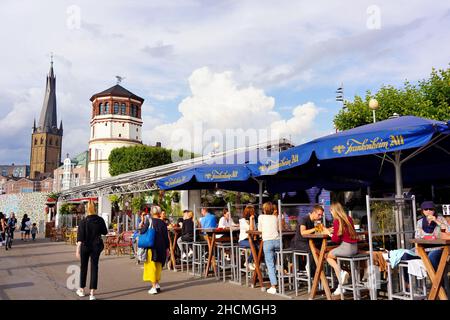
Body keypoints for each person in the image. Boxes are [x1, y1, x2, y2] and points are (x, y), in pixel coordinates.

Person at [75, 199, 108, 300]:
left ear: (87, 209)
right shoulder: (100, 220)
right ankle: (92, 293)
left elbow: (80, 238)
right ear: (95, 208)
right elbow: (105, 232)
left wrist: (77, 250)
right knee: (94, 268)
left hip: (85, 247)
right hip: (96, 246)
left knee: (83, 267)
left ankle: (81, 289)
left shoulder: (83, 221)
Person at [323, 202, 357, 295]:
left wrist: (328, 232)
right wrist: (335, 230)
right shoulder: (348, 219)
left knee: (327, 256)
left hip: (346, 248)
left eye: (330, 210)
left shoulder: (337, 220)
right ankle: (341, 287)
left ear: (334, 210)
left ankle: (342, 273)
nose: (330, 212)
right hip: (354, 248)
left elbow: (336, 240)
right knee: (336, 258)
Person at [141, 205, 169, 295]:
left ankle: (153, 287)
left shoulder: (149, 221)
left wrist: (142, 222)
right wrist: (167, 248)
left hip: (152, 247)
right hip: (161, 247)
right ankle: (157, 284)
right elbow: (166, 237)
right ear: (159, 212)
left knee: (151, 267)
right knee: (158, 267)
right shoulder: (163, 223)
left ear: (152, 213)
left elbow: (142, 231)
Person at [258, 202, 280, 295]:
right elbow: (279, 228)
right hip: (278, 241)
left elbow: (259, 230)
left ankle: (274, 286)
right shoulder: (275, 217)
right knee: (276, 262)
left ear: (264, 209)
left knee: (270, 264)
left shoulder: (261, 217)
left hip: (267, 241)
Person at [238, 205, 257, 271]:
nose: (254, 214)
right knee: (253, 246)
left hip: (250, 240)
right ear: (249, 213)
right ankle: (248, 262)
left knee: (260, 246)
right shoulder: (242, 221)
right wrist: (251, 220)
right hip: (243, 240)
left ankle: (255, 262)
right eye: (253, 212)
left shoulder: (252, 220)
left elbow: (255, 230)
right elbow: (251, 230)